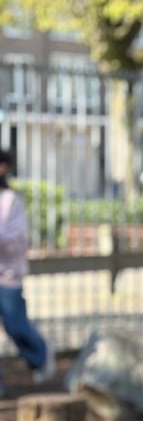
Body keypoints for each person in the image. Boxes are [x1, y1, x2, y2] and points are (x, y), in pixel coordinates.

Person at [0, 148, 54, 396]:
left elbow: (19, 240)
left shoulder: (11, 201)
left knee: (15, 325)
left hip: (7, 276)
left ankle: (41, 355)